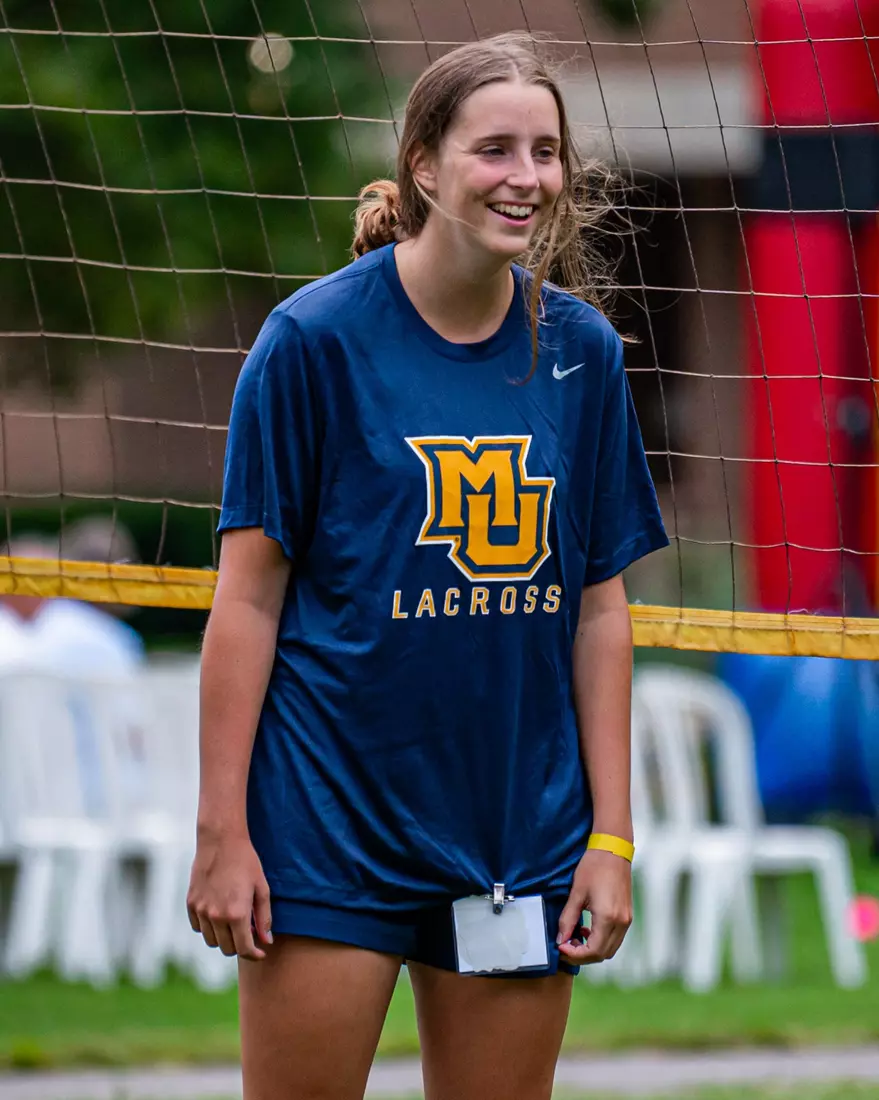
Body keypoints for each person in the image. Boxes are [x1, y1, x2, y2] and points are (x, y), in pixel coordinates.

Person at [187, 32, 668, 1100]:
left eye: (545, 152)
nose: (526, 178)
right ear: (423, 163)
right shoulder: (310, 341)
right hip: (328, 825)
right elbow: (248, 600)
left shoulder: (581, 354)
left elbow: (600, 611)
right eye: (495, 148)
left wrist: (612, 836)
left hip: (516, 833)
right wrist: (223, 831)